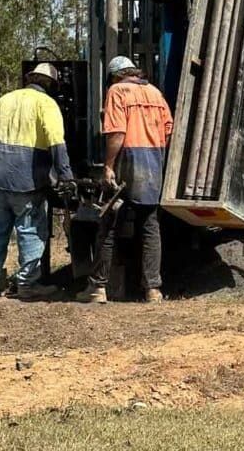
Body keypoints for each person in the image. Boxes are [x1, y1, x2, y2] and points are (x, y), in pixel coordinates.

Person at [77, 56, 173, 305]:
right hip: (153, 160)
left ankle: (98, 287)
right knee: (149, 226)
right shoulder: (155, 93)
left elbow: (117, 132)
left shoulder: (117, 91)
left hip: (128, 159)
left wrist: (109, 166)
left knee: (109, 223)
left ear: (115, 76)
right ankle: (153, 289)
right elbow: (168, 129)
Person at [0, 63, 74, 300]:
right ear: (50, 85)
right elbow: (56, 143)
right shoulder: (47, 104)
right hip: (26, 179)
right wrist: (66, 176)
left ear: (30, 78)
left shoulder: (6, 99)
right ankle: (28, 283)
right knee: (30, 230)